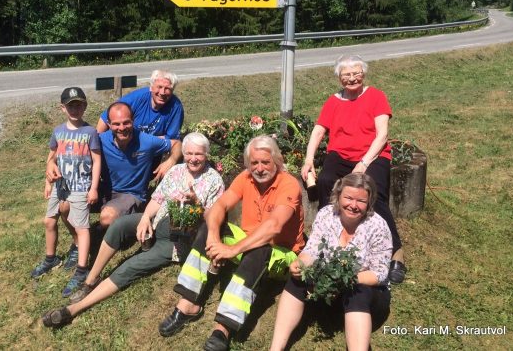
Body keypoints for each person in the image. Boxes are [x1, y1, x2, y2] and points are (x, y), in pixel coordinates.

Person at [41, 132, 225, 328]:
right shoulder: (177, 171)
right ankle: (91, 280)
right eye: (189, 153)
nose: (193, 158)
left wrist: (197, 203)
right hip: (157, 220)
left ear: (207, 154)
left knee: (131, 265)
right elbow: (158, 198)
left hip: (176, 241)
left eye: (199, 154)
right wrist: (146, 217)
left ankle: (73, 309)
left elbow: (214, 220)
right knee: (120, 225)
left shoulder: (214, 181)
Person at [158, 136, 305, 351]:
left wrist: (233, 249)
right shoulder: (246, 177)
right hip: (248, 241)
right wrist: (212, 236)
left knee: (258, 249)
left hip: (281, 253)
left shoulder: (288, 184)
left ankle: (224, 327)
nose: (260, 168)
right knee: (210, 224)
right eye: (254, 163)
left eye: (266, 162)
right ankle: (188, 303)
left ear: (277, 161)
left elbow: (273, 227)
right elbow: (219, 206)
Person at [301, 55, 406, 283]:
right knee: (327, 182)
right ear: (339, 78)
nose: (352, 78)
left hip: (372, 153)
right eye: (346, 75)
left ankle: (396, 253)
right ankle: (328, 242)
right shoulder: (333, 101)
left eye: (356, 73)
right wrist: (308, 159)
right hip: (339, 154)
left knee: (374, 193)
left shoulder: (376, 96)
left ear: (363, 74)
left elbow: (382, 135)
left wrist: (364, 163)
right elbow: (319, 131)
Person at [56, 101, 175, 297]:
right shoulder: (99, 139)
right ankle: (79, 243)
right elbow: (67, 148)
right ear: (109, 124)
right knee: (65, 207)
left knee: (107, 217)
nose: (122, 128)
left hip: (131, 195)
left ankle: (104, 233)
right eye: (116, 124)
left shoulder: (147, 141)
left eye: (126, 123)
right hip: (103, 190)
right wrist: (52, 164)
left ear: (133, 121)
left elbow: (175, 143)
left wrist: (170, 160)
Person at [269, 173, 392, 351]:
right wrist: (301, 262)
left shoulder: (378, 226)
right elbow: (312, 249)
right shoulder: (327, 215)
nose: (353, 205)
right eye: (348, 198)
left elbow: (380, 273)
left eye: (361, 201)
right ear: (338, 195)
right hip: (329, 291)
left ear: (369, 202)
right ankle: (276, 348)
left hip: (368, 297)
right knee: (298, 278)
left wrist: (347, 279)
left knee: (358, 293)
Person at [31, 87, 101, 285]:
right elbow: (51, 158)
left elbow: (97, 161)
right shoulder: (58, 132)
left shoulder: (90, 132)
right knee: (49, 221)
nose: (75, 109)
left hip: (80, 185)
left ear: (85, 106)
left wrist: (93, 187)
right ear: (63, 108)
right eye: (71, 105)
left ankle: (82, 269)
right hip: (60, 185)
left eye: (79, 104)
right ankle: (51, 258)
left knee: (81, 226)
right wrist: (47, 181)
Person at [96, 70, 184, 180]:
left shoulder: (175, 107)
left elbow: (172, 140)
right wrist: (96, 147)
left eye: (168, 89)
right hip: (123, 142)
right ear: (151, 87)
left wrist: (171, 161)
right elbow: (106, 118)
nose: (162, 92)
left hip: (148, 151)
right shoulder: (138, 98)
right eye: (159, 87)